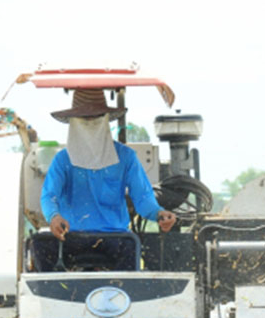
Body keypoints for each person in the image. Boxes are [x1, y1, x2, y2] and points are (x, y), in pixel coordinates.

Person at [40, 88, 176, 247]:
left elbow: (143, 197)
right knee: (39, 247)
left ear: (105, 120)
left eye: (96, 117)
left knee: (131, 249)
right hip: (70, 237)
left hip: (116, 238)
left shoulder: (126, 157)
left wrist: (159, 214)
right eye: (84, 118)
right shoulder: (62, 160)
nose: (90, 122)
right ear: (74, 122)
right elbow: (49, 196)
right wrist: (54, 216)